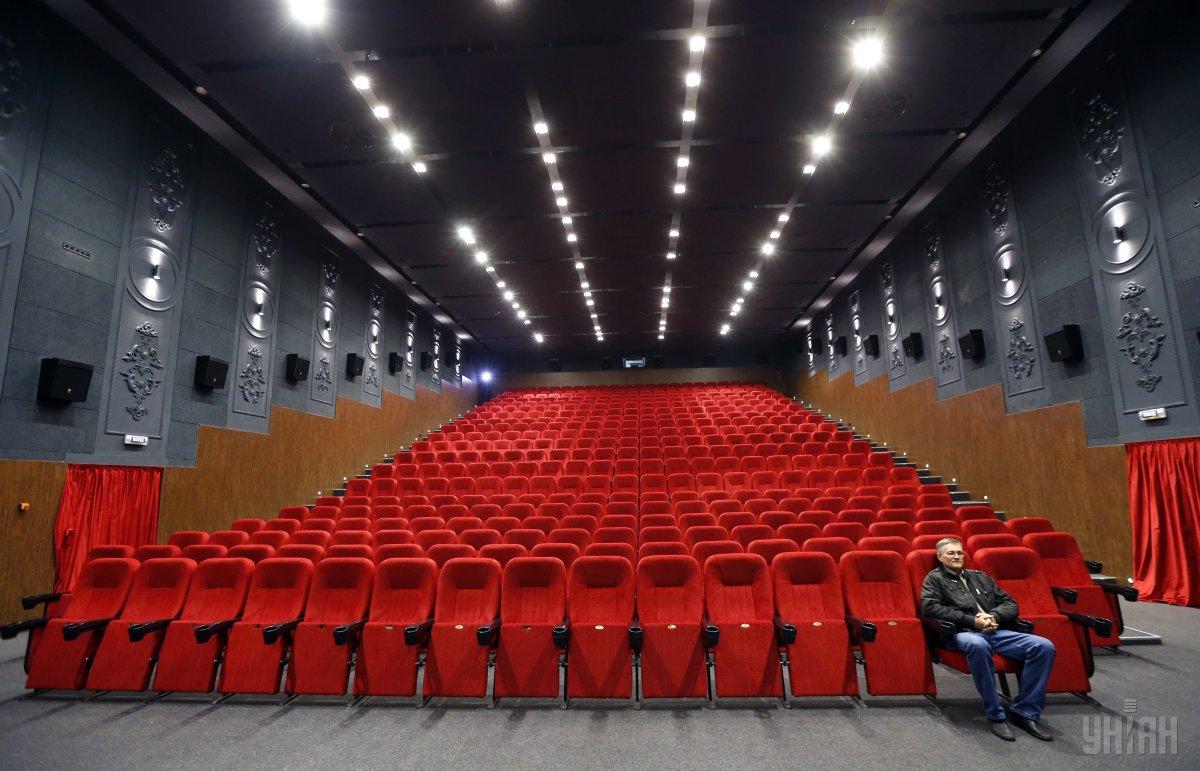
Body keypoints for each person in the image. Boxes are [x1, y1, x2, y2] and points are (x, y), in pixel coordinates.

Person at [920, 537, 1056, 742]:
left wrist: (994, 617)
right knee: (979, 644)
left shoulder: (981, 577)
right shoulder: (934, 579)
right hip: (962, 632)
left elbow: (1010, 603)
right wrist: (973, 621)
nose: (956, 556)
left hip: (994, 630)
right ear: (940, 556)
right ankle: (995, 713)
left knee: (1043, 646)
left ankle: (1025, 711)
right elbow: (930, 608)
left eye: (959, 552)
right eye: (951, 553)